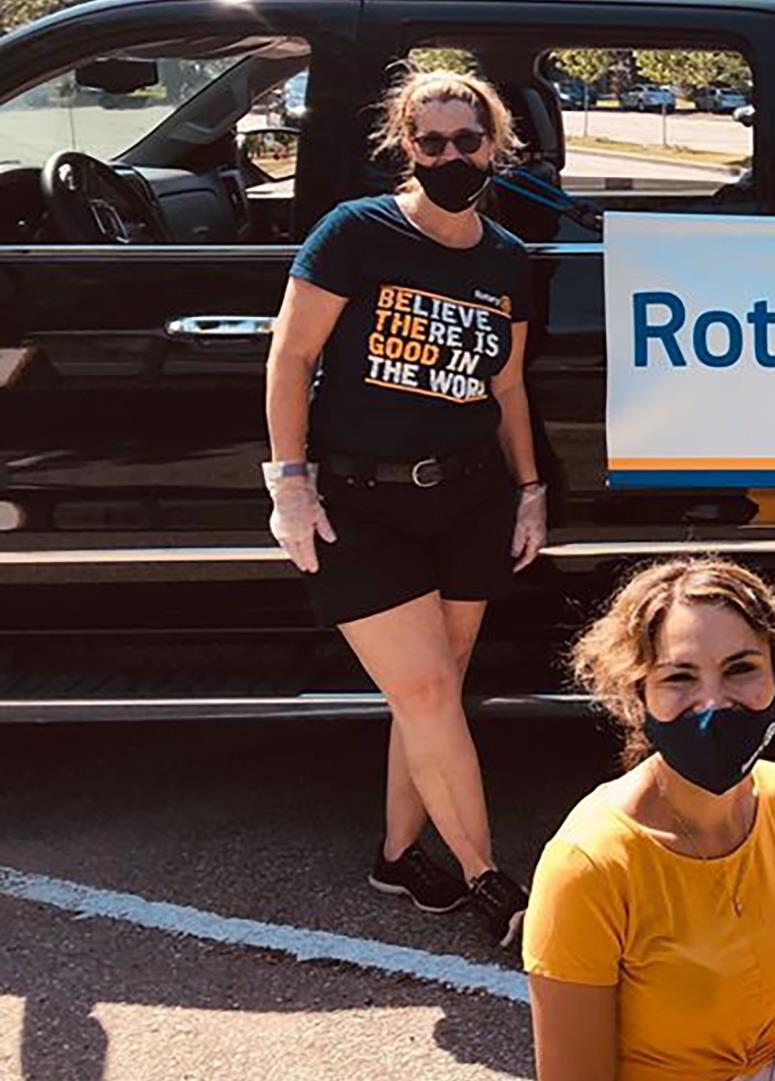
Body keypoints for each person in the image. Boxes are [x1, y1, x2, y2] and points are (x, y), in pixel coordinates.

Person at [262, 68, 546, 943]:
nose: (451, 156)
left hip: (468, 498)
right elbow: (288, 358)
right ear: (406, 147)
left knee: (433, 696)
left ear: (494, 147)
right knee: (424, 688)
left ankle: (398, 854)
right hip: (360, 502)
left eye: (467, 141)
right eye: (432, 142)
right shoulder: (356, 232)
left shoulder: (507, 260)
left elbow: (507, 387)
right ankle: (490, 879)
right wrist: (290, 482)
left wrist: (530, 490)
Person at [524, 558, 775, 1081]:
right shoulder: (589, 865)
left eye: (741, 669)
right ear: (637, 699)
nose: (713, 703)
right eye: (679, 677)